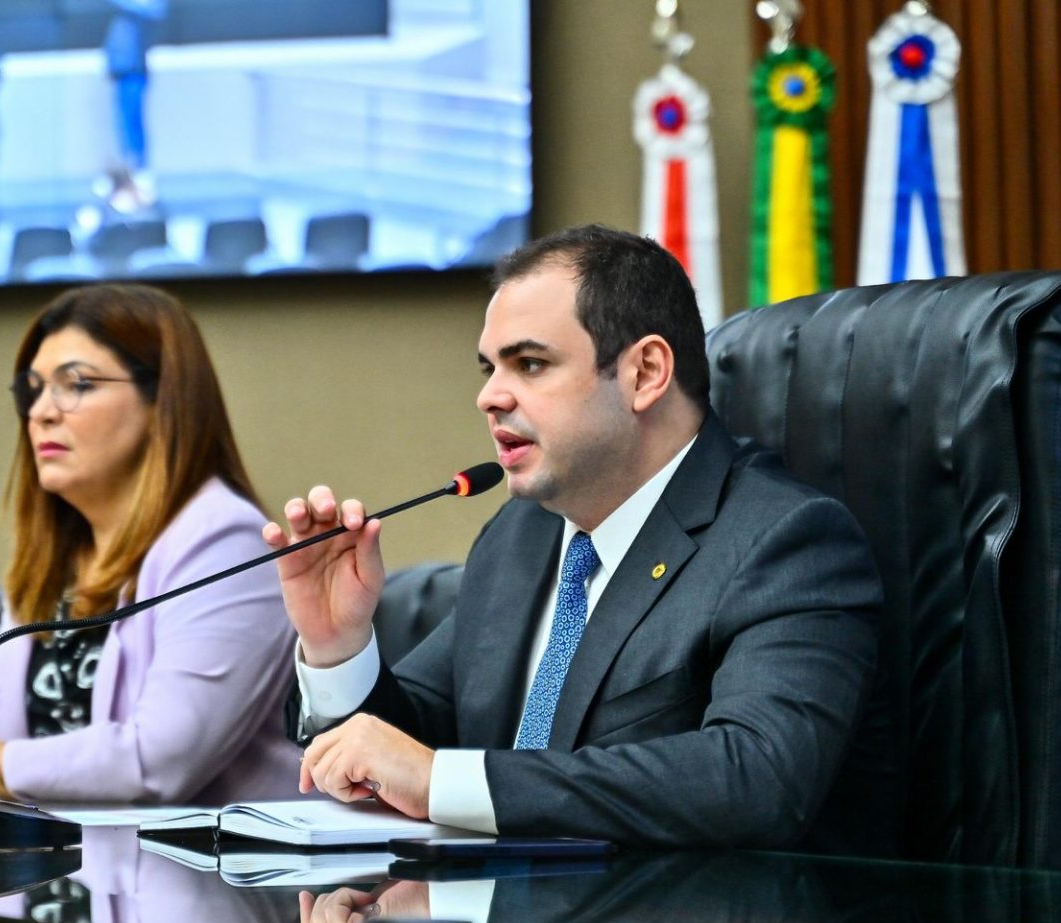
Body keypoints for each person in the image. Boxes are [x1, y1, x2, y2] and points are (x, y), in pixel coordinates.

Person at [264, 224, 885, 851]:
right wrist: (337, 646)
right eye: (490, 368)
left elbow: (757, 778)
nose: (488, 396)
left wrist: (441, 780)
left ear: (645, 372)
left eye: (530, 364)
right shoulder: (520, 535)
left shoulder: (784, 540)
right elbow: (410, 746)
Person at [0, 283, 299, 804]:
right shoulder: (63, 554)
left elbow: (157, 761)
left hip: (224, 877)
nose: (41, 412)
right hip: (68, 869)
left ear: (162, 400)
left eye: (75, 384)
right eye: (33, 389)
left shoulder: (225, 540)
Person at [103, 0, 168, 205]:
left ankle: (138, 167)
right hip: (124, 71)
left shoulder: (143, 10)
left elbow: (156, 8)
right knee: (124, 122)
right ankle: (130, 166)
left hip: (133, 71)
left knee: (131, 121)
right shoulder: (126, 16)